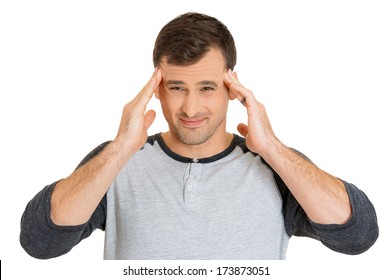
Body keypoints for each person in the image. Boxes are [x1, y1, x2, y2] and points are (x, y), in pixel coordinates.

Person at [20, 12, 378, 260]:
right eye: (177, 87)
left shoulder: (275, 164)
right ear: (156, 88)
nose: (191, 109)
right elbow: (40, 242)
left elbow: (358, 236)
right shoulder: (117, 160)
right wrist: (119, 150)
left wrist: (271, 148)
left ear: (231, 85)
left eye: (207, 87)